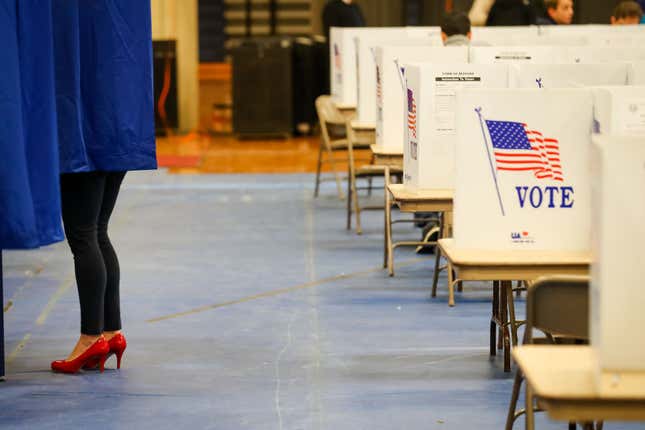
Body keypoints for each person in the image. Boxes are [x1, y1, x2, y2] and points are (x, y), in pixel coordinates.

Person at [50, 0, 157, 374]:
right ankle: (111, 331)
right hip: (119, 128)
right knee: (98, 231)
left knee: (82, 235)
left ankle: (89, 337)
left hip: (86, 132)